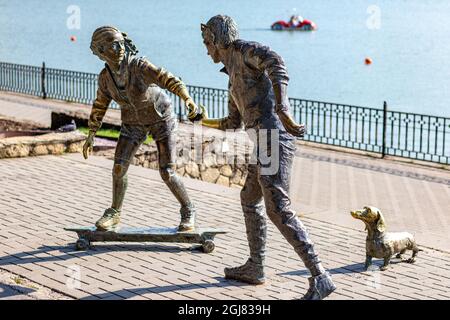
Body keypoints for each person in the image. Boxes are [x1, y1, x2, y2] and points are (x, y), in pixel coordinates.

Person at [198, 15, 336, 300]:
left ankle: (320, 276)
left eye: (206, 43)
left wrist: (283, 108)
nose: (206, 50)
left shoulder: (244, 51)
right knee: (249, 198)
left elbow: (276, 63)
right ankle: (256, 267)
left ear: (214, 39)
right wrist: (204, 121)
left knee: (278, 209)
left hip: (273, 140)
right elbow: (233, 122)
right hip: (262, 144)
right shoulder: (232, 74)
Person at [83, 26, 200, 232]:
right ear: (101, 51)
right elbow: (100, 105)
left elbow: (167, 79)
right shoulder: (105, 78)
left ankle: (188, 209)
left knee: (167, 172)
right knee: (118, 168)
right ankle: (114, 213)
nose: (119, 47)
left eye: (121, 43)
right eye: (112, 44)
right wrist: (91, 133)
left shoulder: (139, 65)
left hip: (160, 118)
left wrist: (187, 99)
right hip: (132, 122)